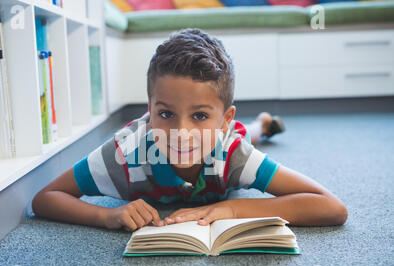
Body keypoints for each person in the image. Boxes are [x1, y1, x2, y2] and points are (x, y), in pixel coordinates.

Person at [32, 28, 347, 231]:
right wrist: (107, 216)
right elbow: (46, 198)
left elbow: (332, 207)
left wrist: (233, 207)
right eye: (166, 113)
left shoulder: (232, 152)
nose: (180, 132)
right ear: (149, 110)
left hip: (227, 141)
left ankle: (260, 126)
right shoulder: (126, 151)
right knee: (220, 139)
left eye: (198, 115)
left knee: (244, 136)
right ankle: (248, 124)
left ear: (223, 119)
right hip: (217, 138)